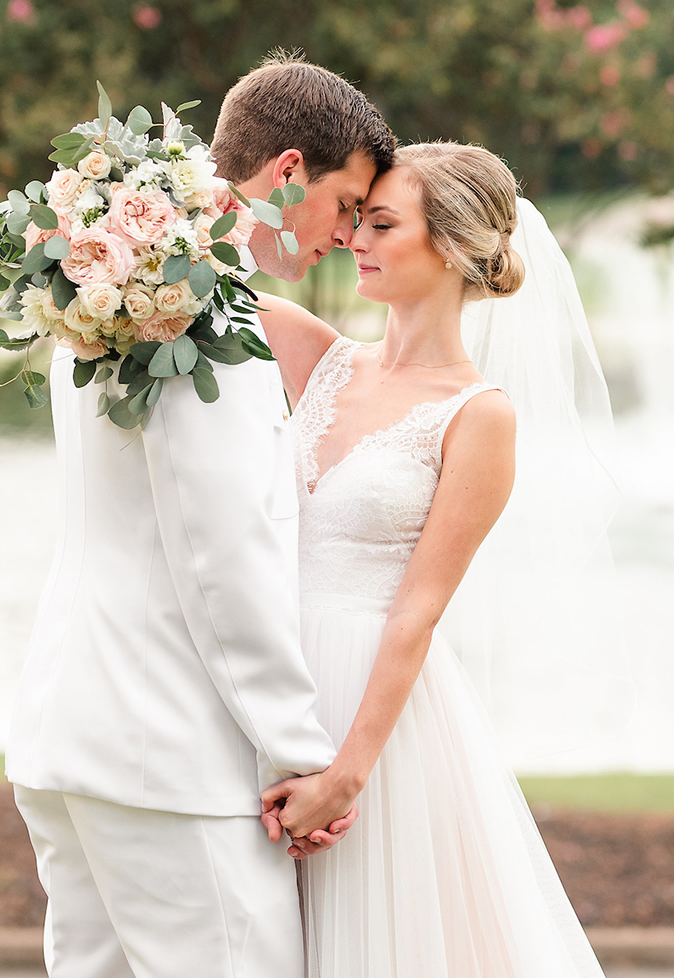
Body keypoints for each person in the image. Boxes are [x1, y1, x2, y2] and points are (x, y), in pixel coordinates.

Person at [4, 55, 396, 978]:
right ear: (289, 172)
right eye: (345, 205)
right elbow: (226, 556)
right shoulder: (204, 320)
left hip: (70, 733)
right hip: (166, 758)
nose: (345, 235)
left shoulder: (103, 283)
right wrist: (299, 755)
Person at [256, 141, 610, 975]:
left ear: (451, 246)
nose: (353, 240)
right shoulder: (320, 357)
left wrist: (347, 774)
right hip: (271, 683)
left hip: (372, 714)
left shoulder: (479, 417)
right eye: (354, 220)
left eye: (380, 223)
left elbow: (417, 610)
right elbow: (201, 278)